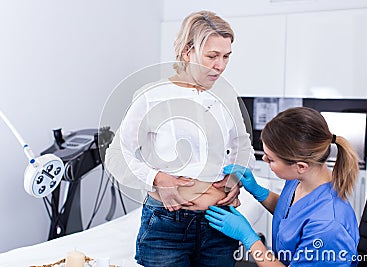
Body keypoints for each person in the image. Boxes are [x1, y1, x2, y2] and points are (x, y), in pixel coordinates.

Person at [105, 10, 255, 267]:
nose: (220, 65)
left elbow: (242, 147)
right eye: (212, 56)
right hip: (167, 228)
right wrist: (157, 178)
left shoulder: (226, 97)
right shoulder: (152, 96)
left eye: (226, 56)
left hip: (220, 222)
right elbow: (116, 156)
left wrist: (236, 179)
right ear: (188, 52)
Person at [206, 107, 360, 266]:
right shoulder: (300, 179)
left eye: (271, 159)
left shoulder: (328, 227)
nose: (264, 159)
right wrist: (258, 191)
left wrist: (249, 238)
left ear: (301, 166)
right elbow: (291, 213)